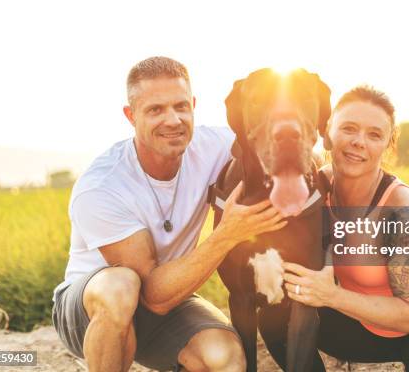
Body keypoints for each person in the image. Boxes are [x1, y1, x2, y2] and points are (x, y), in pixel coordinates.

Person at [51, 56, 287, 372]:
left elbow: (277, 151)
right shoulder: (102, 187)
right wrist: (227, 235)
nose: (173, 120)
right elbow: (152, 296)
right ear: (130, 115)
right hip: (91, 308)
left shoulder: (217, 146)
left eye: (180, 106)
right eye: (155, 110)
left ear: (193, 105)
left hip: (166, 305)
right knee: (121, 287)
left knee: (225, 357)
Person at [282, 86, 409, 371]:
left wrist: (331, 295)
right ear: (327, 133)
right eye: (349, 129)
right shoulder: (315, 186)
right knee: (275, 319)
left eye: (374, 134)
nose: (359, 142)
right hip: (364, 324)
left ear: (388, 145)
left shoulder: (405, 210)